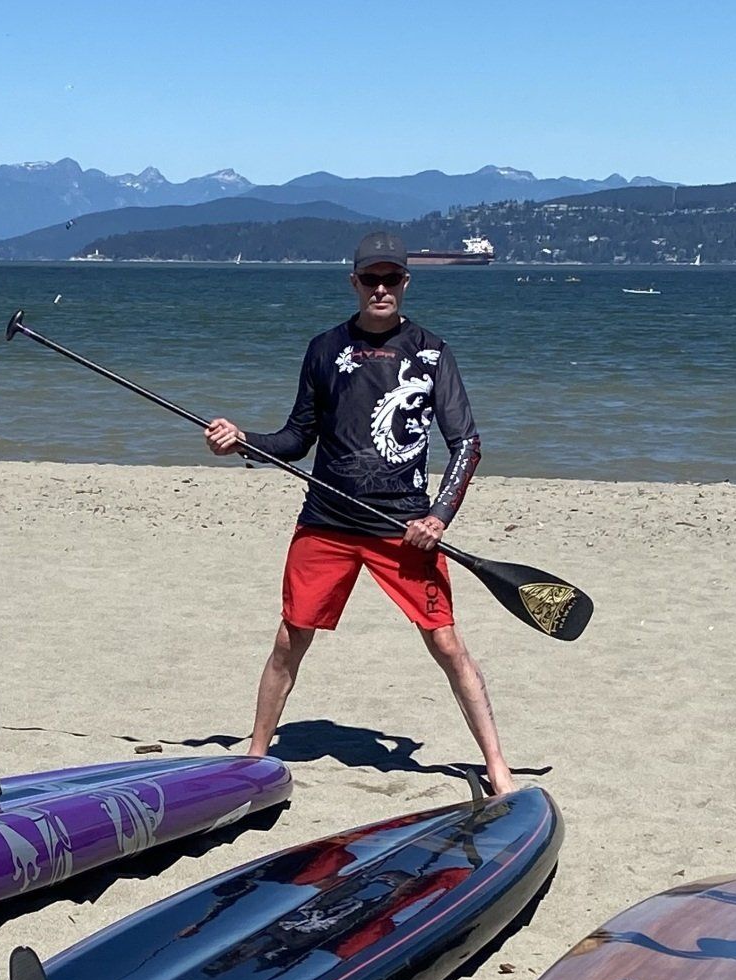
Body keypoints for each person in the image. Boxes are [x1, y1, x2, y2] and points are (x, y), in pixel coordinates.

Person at [204, 230, 514, 794]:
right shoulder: (324, 349)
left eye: (390, 279)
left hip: (404, 527)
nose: (380, 289)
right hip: (327, 522)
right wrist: (243, 440)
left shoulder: (431, 352)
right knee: (290, 639)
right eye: (370, 279)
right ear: (354, 282)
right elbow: (296, 439)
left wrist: (438, 517)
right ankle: (254, 759)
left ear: (405, 283)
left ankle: (498, 767)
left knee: (446, 643)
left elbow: (465, 443)